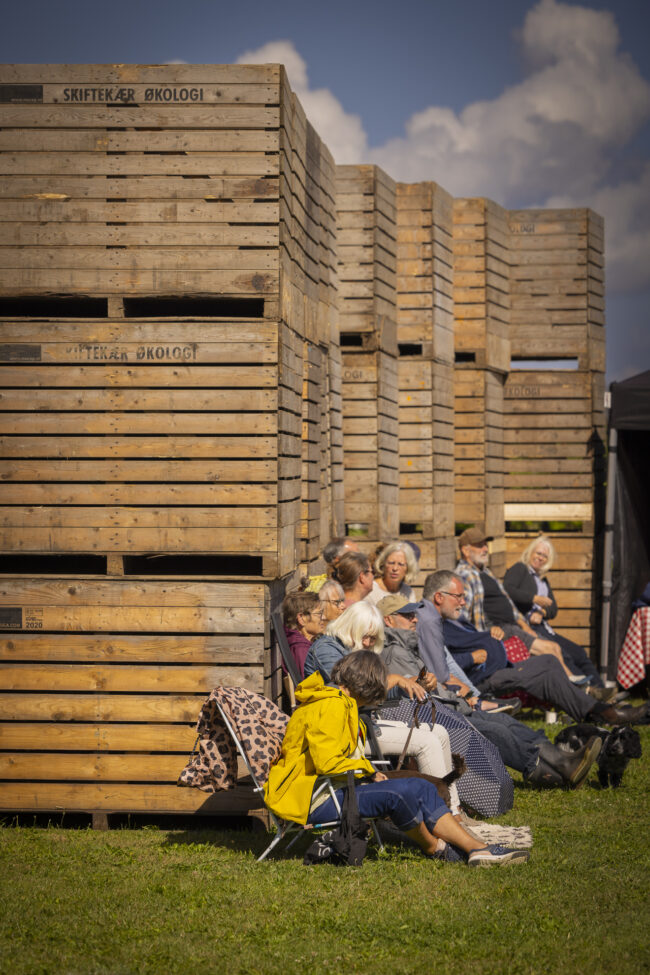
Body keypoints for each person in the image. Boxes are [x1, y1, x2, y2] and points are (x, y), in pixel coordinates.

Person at [264, 651, 529, 865]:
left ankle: (474, 849)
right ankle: (440, 848)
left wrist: (365, 771)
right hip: (315, 799)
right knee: (403, 792)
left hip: (335, 789)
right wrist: (367, 770)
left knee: (423, 786)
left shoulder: (338, 702)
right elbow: (327, 762)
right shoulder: (330, 706)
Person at [378, 593, 603, 789]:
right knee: (497, 732)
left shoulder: (406, 647)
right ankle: (555, 771)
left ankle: (560, 759)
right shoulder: (394, 652)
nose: (415, 619)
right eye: (407, 616)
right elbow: (413, 697)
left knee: (507, 723)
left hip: (451, 707)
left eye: (414, 614)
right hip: (440, 717)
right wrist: (447, 694)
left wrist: (456, 694)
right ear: (389, 620)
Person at [428, 570, 649, 726]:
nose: (463, 602)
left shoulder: (449, 621)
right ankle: (601, 711)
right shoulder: (433, 626)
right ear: (439, 596)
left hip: (500, 665)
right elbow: (441, 666)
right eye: (459, 597)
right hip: (484, 678)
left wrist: (492, 634)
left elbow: (470, 640)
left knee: (549, 663)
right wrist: (472, 657)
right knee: (544, 668)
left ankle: (594, 711)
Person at [303, 602, 464, 806]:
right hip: (342, 733)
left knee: (439, 732)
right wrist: (395, 679)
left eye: (373, 638)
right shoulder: (326, 650)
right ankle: (442, 815)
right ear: (350, 627)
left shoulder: (350, 647)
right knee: (427, 743)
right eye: (366, 636)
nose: (369, 643)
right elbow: (355, 691)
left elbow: (374, 695)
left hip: (360, 723)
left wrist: (412, 684)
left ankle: (454, 810)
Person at [455, 526, 586, 683]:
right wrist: (486, 634)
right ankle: (573, 685)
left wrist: (526, 627)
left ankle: (574, 685)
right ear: (466, 550)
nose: (485, 549)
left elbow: (509, 603)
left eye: (485, 545)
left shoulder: (486, 572)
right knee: (550, 650)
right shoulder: (465, 575)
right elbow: (461, 616)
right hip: (500, 631)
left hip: (513, 627)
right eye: (480, 545)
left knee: (556, 649)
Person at [504, 535, 608, 694]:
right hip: (528, 627)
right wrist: (534, 599)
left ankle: (601, 690)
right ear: (530, 552)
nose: (540, 558)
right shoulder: (520, 569)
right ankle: (587, 694)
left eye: (544, 556)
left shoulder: (543, 580)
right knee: (564, 656)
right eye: (538, 553)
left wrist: (541, 611)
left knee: (579, 653)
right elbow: (508, 590)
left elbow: (553, 608)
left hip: (545, 627)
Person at [281, 590, 327, 678]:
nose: (323, 617)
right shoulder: (301, 649)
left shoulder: (303, 644)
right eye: (319, 614)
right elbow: (307, 687)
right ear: (301, 618)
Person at [365, 540, 418, 606]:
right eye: (391, 563)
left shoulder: (408, 592)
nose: (395, 568)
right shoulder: (371, 590)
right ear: (383, 563)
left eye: (401, 564)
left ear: (408, 568)